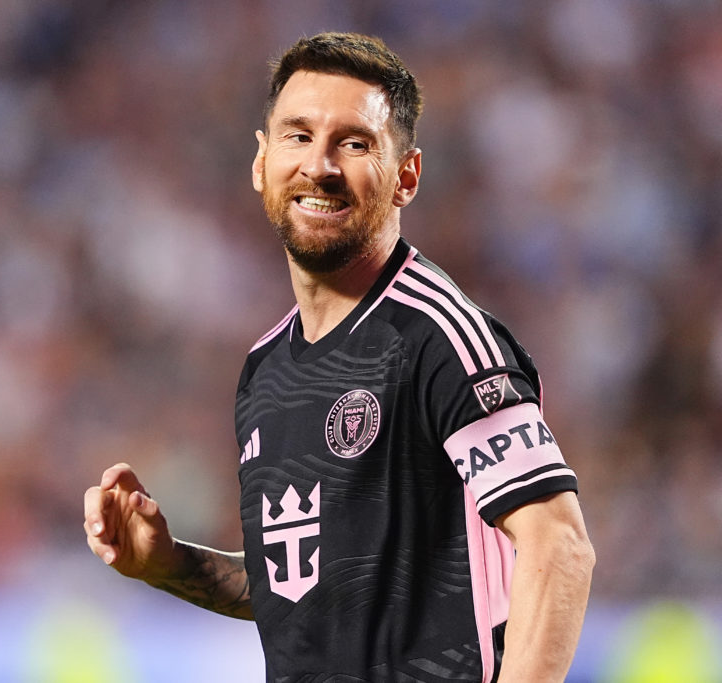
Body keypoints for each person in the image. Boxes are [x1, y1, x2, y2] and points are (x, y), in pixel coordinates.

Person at [84, 31, 595, 682]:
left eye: (353, 143)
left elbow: (559, 543)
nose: (319, 165)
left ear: (406, 176)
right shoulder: (266, 370)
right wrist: (170, 565)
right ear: (261, 162)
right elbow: (304, 589)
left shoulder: (440, 338)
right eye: (298, 137)